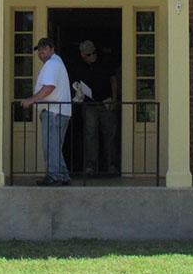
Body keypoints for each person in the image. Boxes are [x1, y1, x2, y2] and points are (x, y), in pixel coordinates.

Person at [20, 36, 72, 186]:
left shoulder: (52, 64)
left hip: (54, 111)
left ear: (52, 49)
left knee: (51, 145)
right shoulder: (57, 63)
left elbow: (49, 87)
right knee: (55, 145)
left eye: (45, 49)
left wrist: (32, 99)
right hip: (60, 112)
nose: (41, 53)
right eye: (39, 50)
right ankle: (63, 175)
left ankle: (55, 176)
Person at [72, 39, 119, 176]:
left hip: (106, 102)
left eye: (93, 53)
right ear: (82, 55)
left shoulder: (105, 62)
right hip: (89, 105)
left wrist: (114, 100)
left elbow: (113, 80)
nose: (92, 56)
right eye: (88, 54)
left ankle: (111, 165)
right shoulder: (79, 66)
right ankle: (90, 166)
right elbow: (76, 84)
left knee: (109, 135)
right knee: (90, 135)